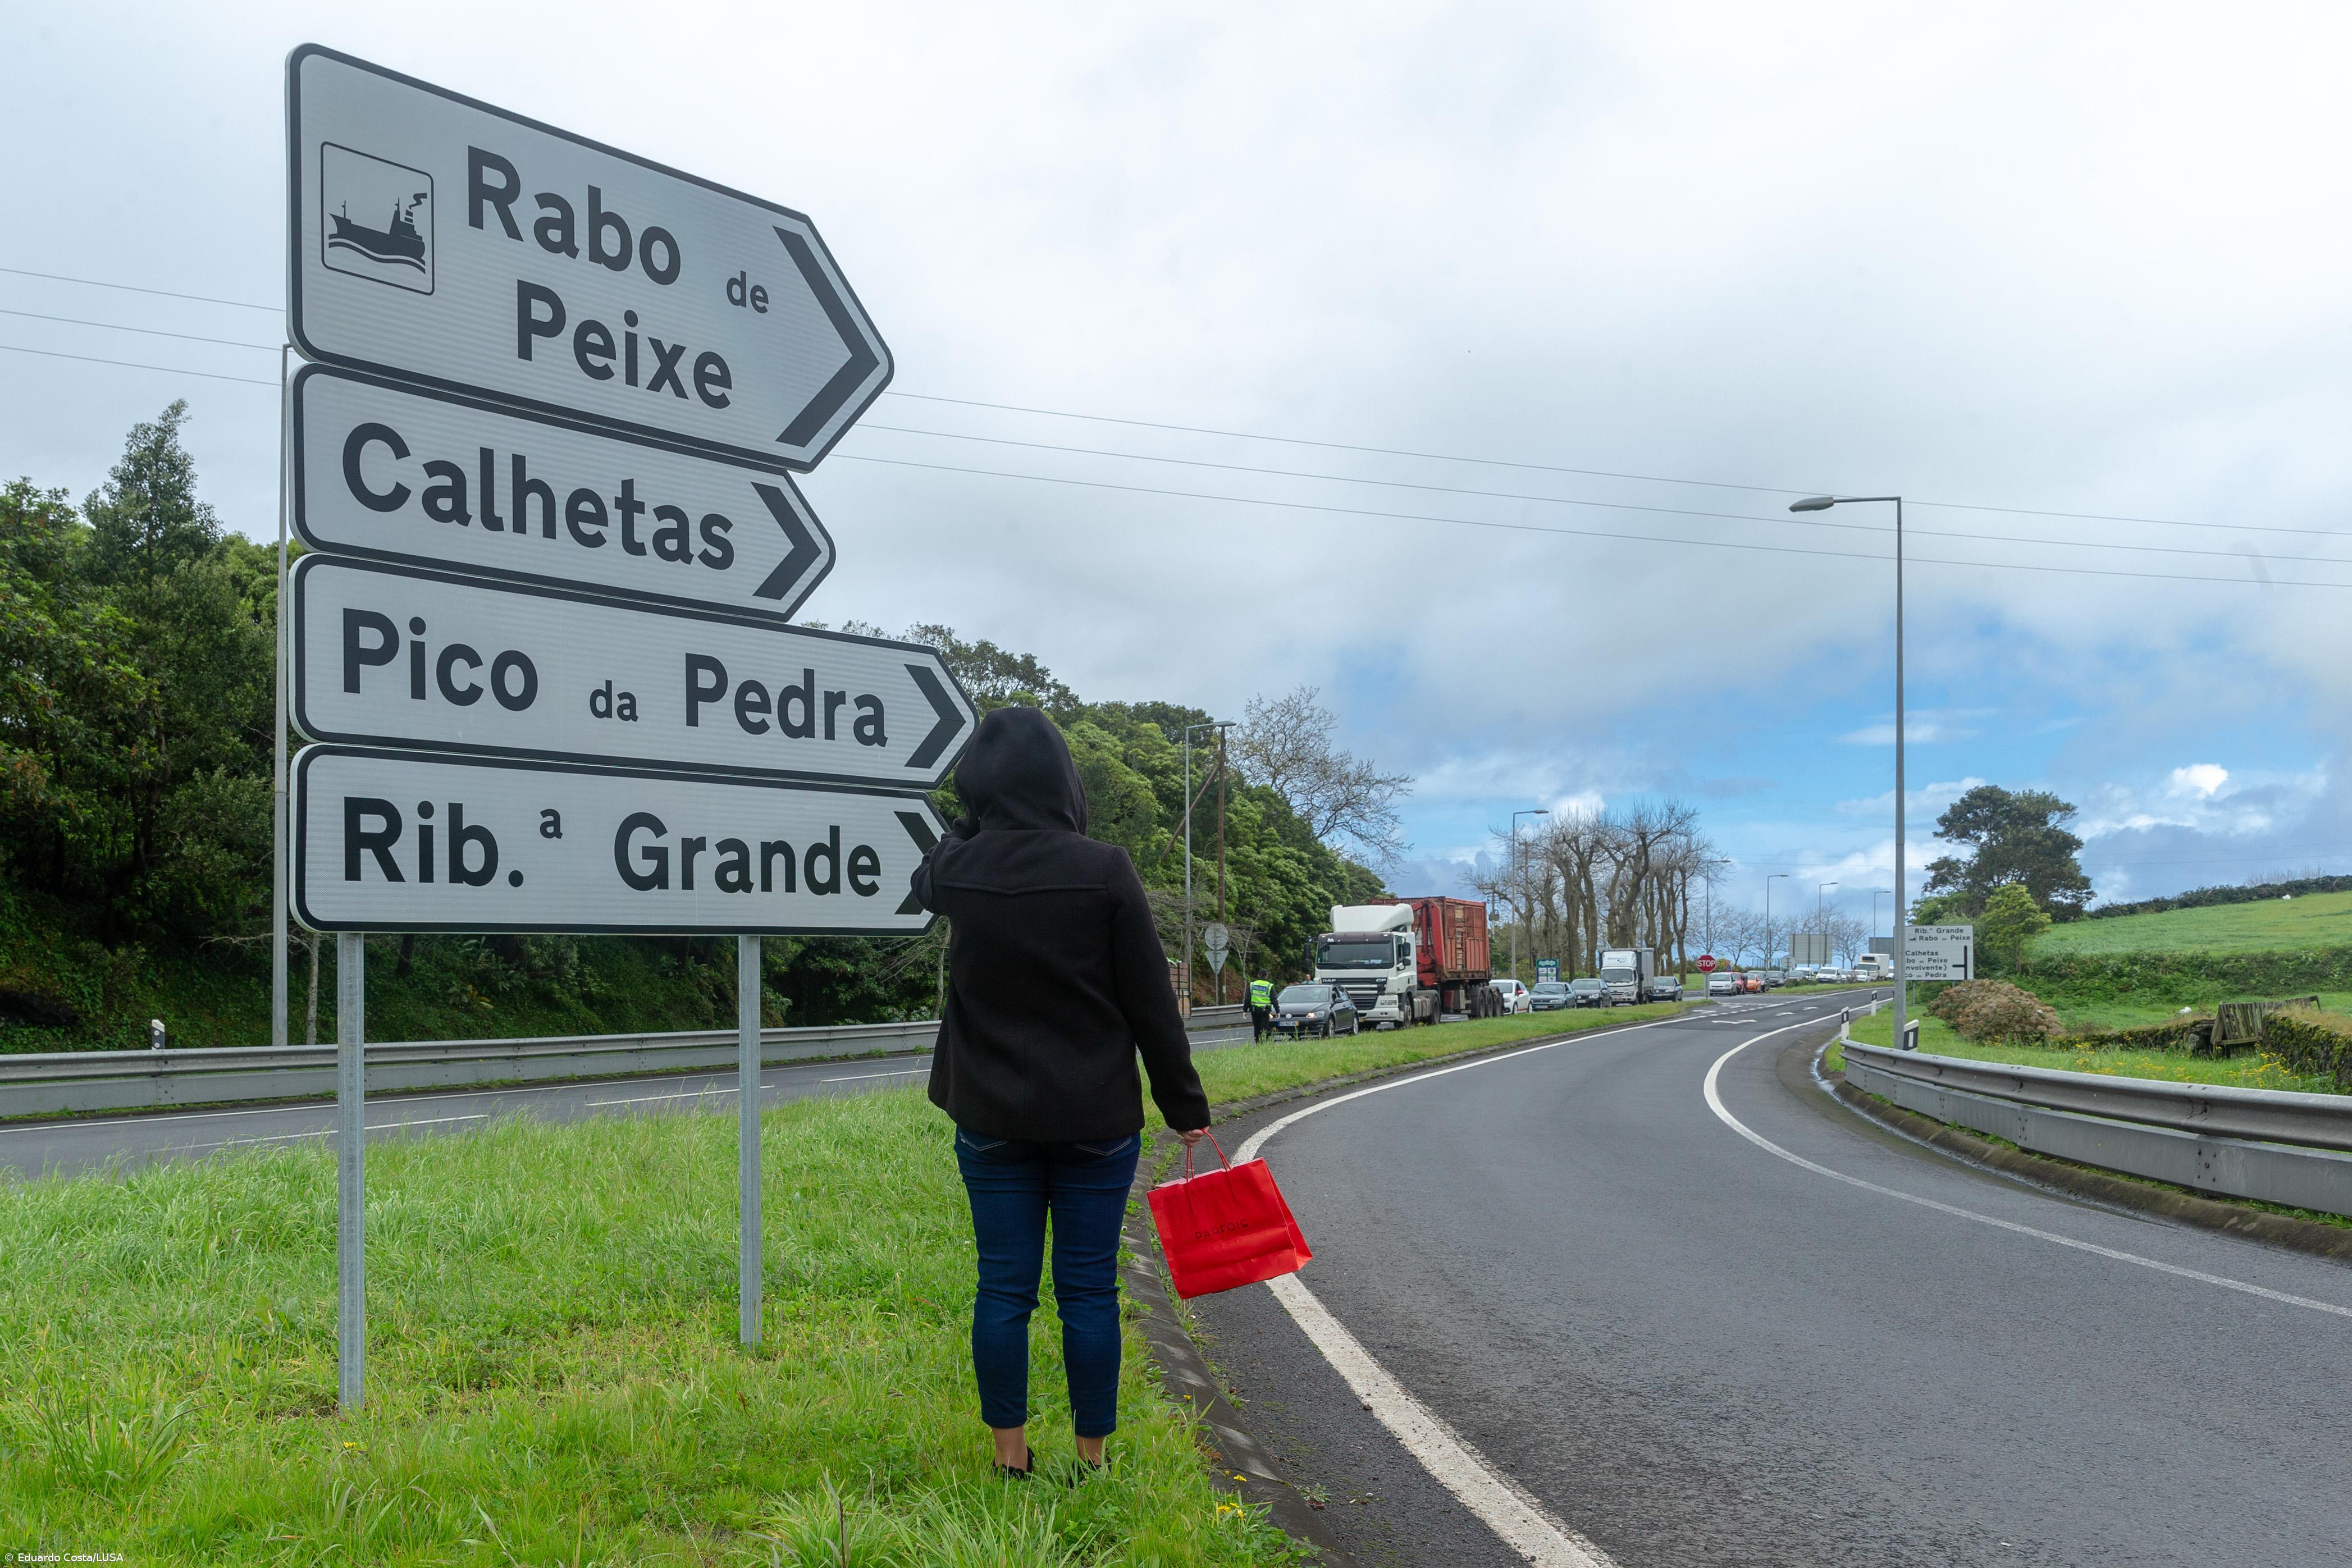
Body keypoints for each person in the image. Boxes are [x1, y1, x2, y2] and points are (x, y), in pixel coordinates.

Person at [911, 706, 1211, 1479]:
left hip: (990, 1118)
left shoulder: (959, 869)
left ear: (979, 785)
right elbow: (1151, 1003)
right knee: (1088, 1290)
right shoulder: (1105, 868)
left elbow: (926, 873)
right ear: (1065, 781)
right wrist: (1185, 1109)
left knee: (1002, 1289)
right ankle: (1092, 1459)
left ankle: (1010, 1462)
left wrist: (972, 825)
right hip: (1096, 1121)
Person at [1248, 975, 1275, 1040]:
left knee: (1257, 1028)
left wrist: (1245, 1009)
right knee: (1264, 1027)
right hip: (1265, 1010)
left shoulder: (1253, 985)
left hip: (1255, 1010)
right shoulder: (1269, 986)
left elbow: (1248, 998)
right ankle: (1264, 1041)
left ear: (1259, 975)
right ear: (1267, 976)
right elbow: (1274, 999)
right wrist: (1277, 1010)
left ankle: (1258, 1043)